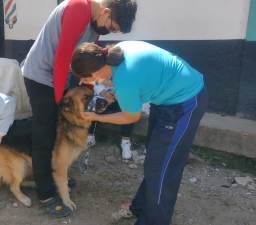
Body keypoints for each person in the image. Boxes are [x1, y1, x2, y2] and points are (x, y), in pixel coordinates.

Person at [70, 41, 208, 224]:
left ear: (94, 73)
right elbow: (124, 78)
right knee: (155, 158)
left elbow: (130, 117)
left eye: (83, 79)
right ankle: (141, 206)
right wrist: (99, 80)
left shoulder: (125, 82)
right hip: (165, 99)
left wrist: (95, 117)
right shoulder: (115, 53)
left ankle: (154, 220)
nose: (82, 83)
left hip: (185, 102)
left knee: (162, 167)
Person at [21, 0, 137, 217]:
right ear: (105, 12)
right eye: (112, 27)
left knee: (60, 132)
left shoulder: (96, 23)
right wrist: (59, 104)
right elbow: (62, 58)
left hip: (64, 74)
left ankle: (56, 173)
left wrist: (87, 88)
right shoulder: (77, 8)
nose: (109, 31)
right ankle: (45, 191)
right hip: (41, 74)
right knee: (44, 134)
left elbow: (83, 62)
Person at [87, 83, 135, 159]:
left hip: (122, 97)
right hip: (102, 95)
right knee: (92, 104)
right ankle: (90, 135)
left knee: (129, 109)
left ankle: (126, 142)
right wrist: (105, 93)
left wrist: (115, 95)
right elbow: (96, 82)